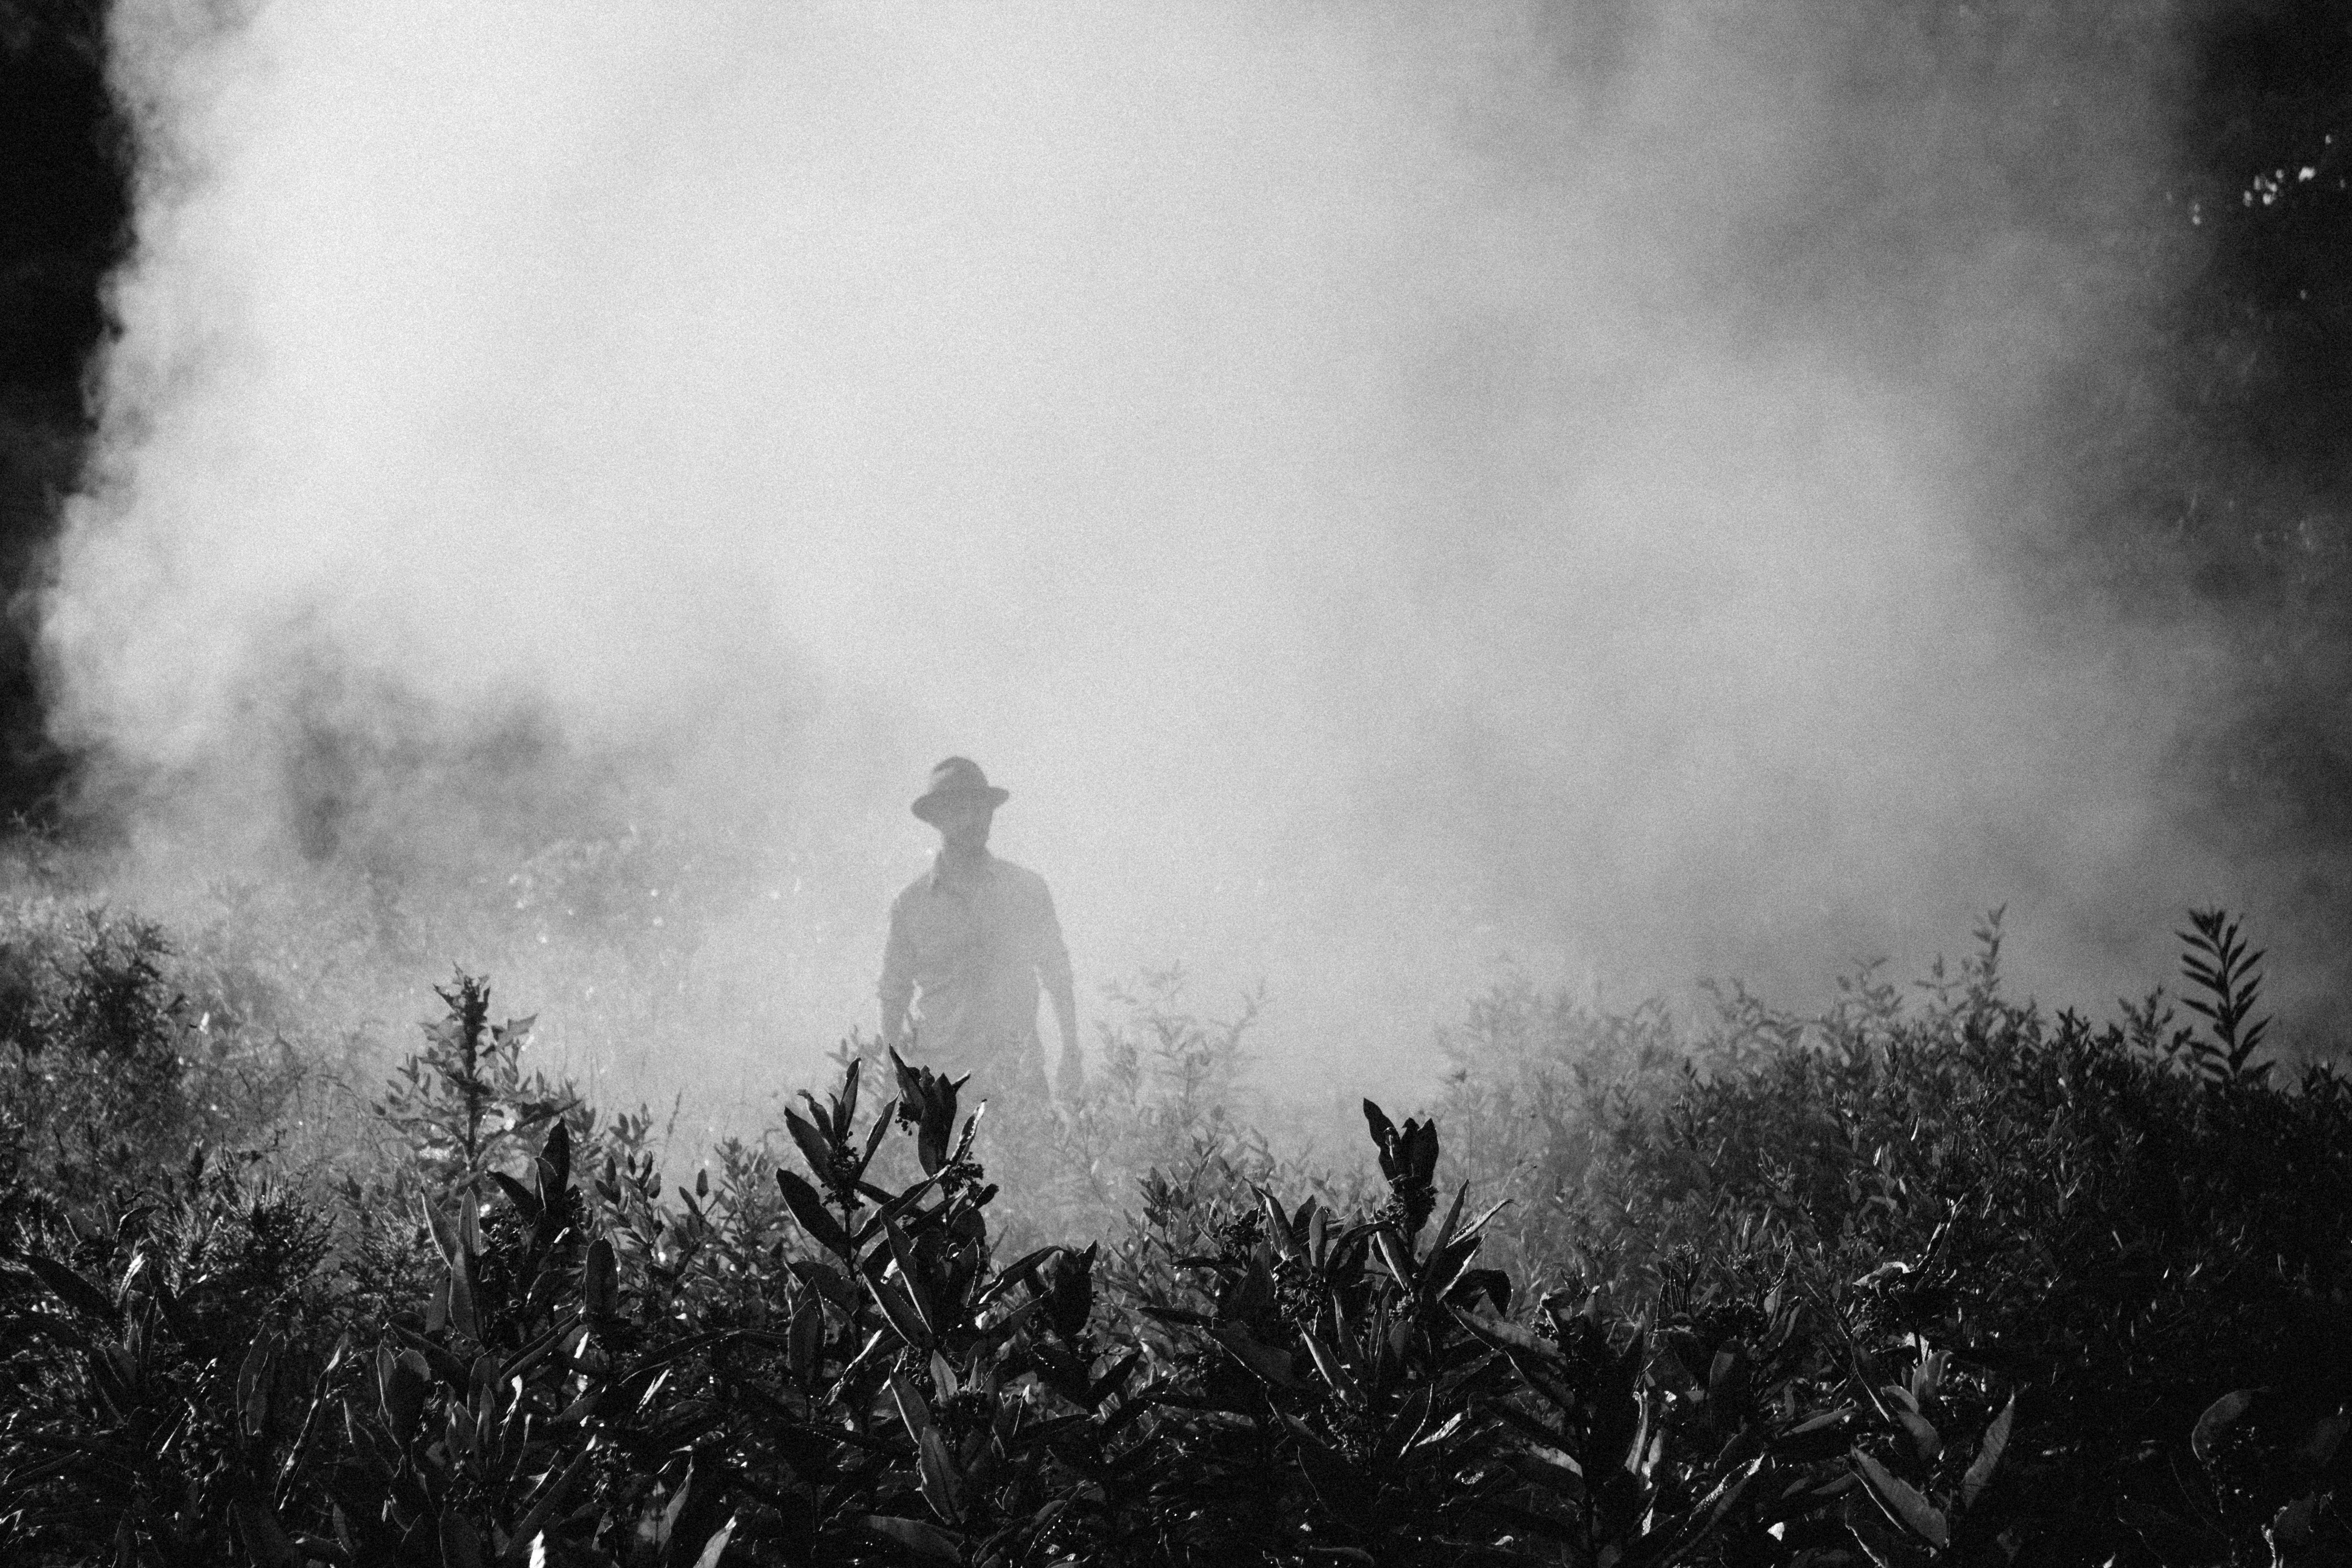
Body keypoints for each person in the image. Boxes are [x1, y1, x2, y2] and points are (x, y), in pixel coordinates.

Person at [878, 757, 1081, 1104]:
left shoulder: (1026, 889)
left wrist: (1072, 1052)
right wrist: (890, 1075)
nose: (977, 817)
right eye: (961, 808)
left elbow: (1057, 972)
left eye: (983, 807)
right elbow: (893, 994)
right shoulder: (910, 906)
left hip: (1019, 1081)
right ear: (937, 819)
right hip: (945, 1089)